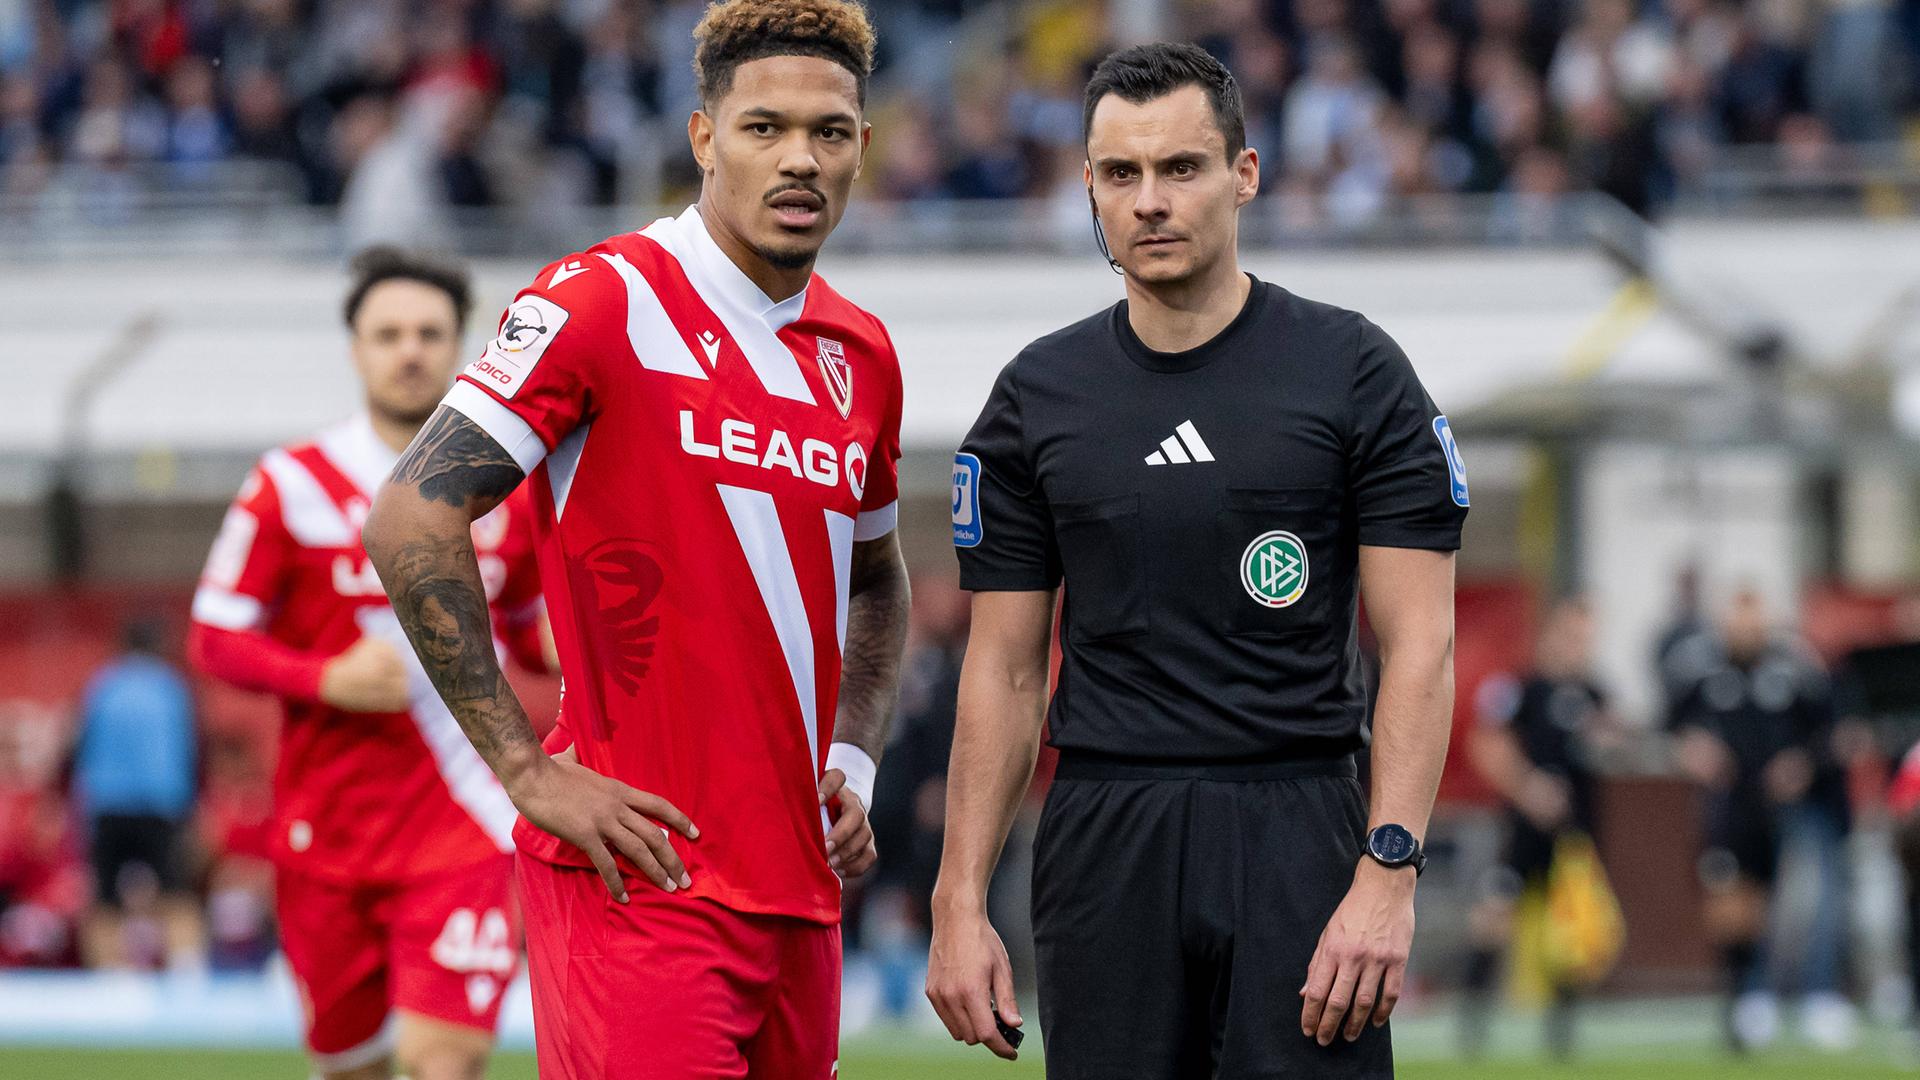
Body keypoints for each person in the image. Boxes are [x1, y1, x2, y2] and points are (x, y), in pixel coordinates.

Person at [358, 2, 911, 1076]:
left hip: (802, 899)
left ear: (863, 148)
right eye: (763, 128)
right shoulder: (602, 300)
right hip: (641, 883)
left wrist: (852, 757)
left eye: (830, 132)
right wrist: (525, 770)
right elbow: (408, 514)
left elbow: (879, 581)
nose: (800, 159)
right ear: (704, 137)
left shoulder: (865, 354)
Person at [926, 42, 1468, 1078]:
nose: (1150, 202)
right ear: (1087, 187)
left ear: (1244, 175)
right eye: (1121, 176)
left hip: (1300, 822)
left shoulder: (1353, 371)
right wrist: (959, 899)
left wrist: (1388, 871)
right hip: (1104, 833)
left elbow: (1421, 647)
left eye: (1181, 168)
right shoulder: (1037, 398)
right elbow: (1000, 671)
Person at [188, 248, 552, 1080]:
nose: (409, 350)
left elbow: (529, 633)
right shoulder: (289, 485)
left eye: (429, 332)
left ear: (460, 346)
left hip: (466, 823)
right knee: (353, 1070)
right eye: (388, 333)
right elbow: (213, 637)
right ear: (355, 348)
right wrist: (324, 680)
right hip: (327, 837)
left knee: (442, 1065)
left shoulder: (506, 491)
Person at [1673, 587, 1852, 1053]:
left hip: (1793, 809)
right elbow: (1672, 723)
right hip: (1729, 807)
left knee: (1805, 904)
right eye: (1738, 620)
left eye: (1754, 620)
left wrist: (1802, 767)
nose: (1745, 629)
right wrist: (1693, 748)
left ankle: (1816, 995)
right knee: (1735, 905)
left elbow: (1835, 733)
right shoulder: (1703, 669)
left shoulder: (1795, 666)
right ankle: (1747, 998)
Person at [1461, 596, 1615, 1058]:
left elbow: (1613, 743)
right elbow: (1485, 742)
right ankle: (1473, 1022)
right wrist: (1528, 789)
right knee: (1494, 914)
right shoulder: (1521, 687)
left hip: (1574, 832)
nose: (1579, 648)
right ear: (1550, 636)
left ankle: (1561, 1033)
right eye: (1572, 636)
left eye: (1586, 639)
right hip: (1522, 829)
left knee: (1572, 929)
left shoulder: (1595, 694)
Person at [72, 616, 203, 970]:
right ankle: (188, 972)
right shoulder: (173, 688)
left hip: (109, 803)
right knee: (176, 891)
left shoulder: (103, 685)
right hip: (162, 805)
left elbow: (78, 746)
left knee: (105, 897)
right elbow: (193, 751)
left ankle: (109, 977)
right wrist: (194, 807)